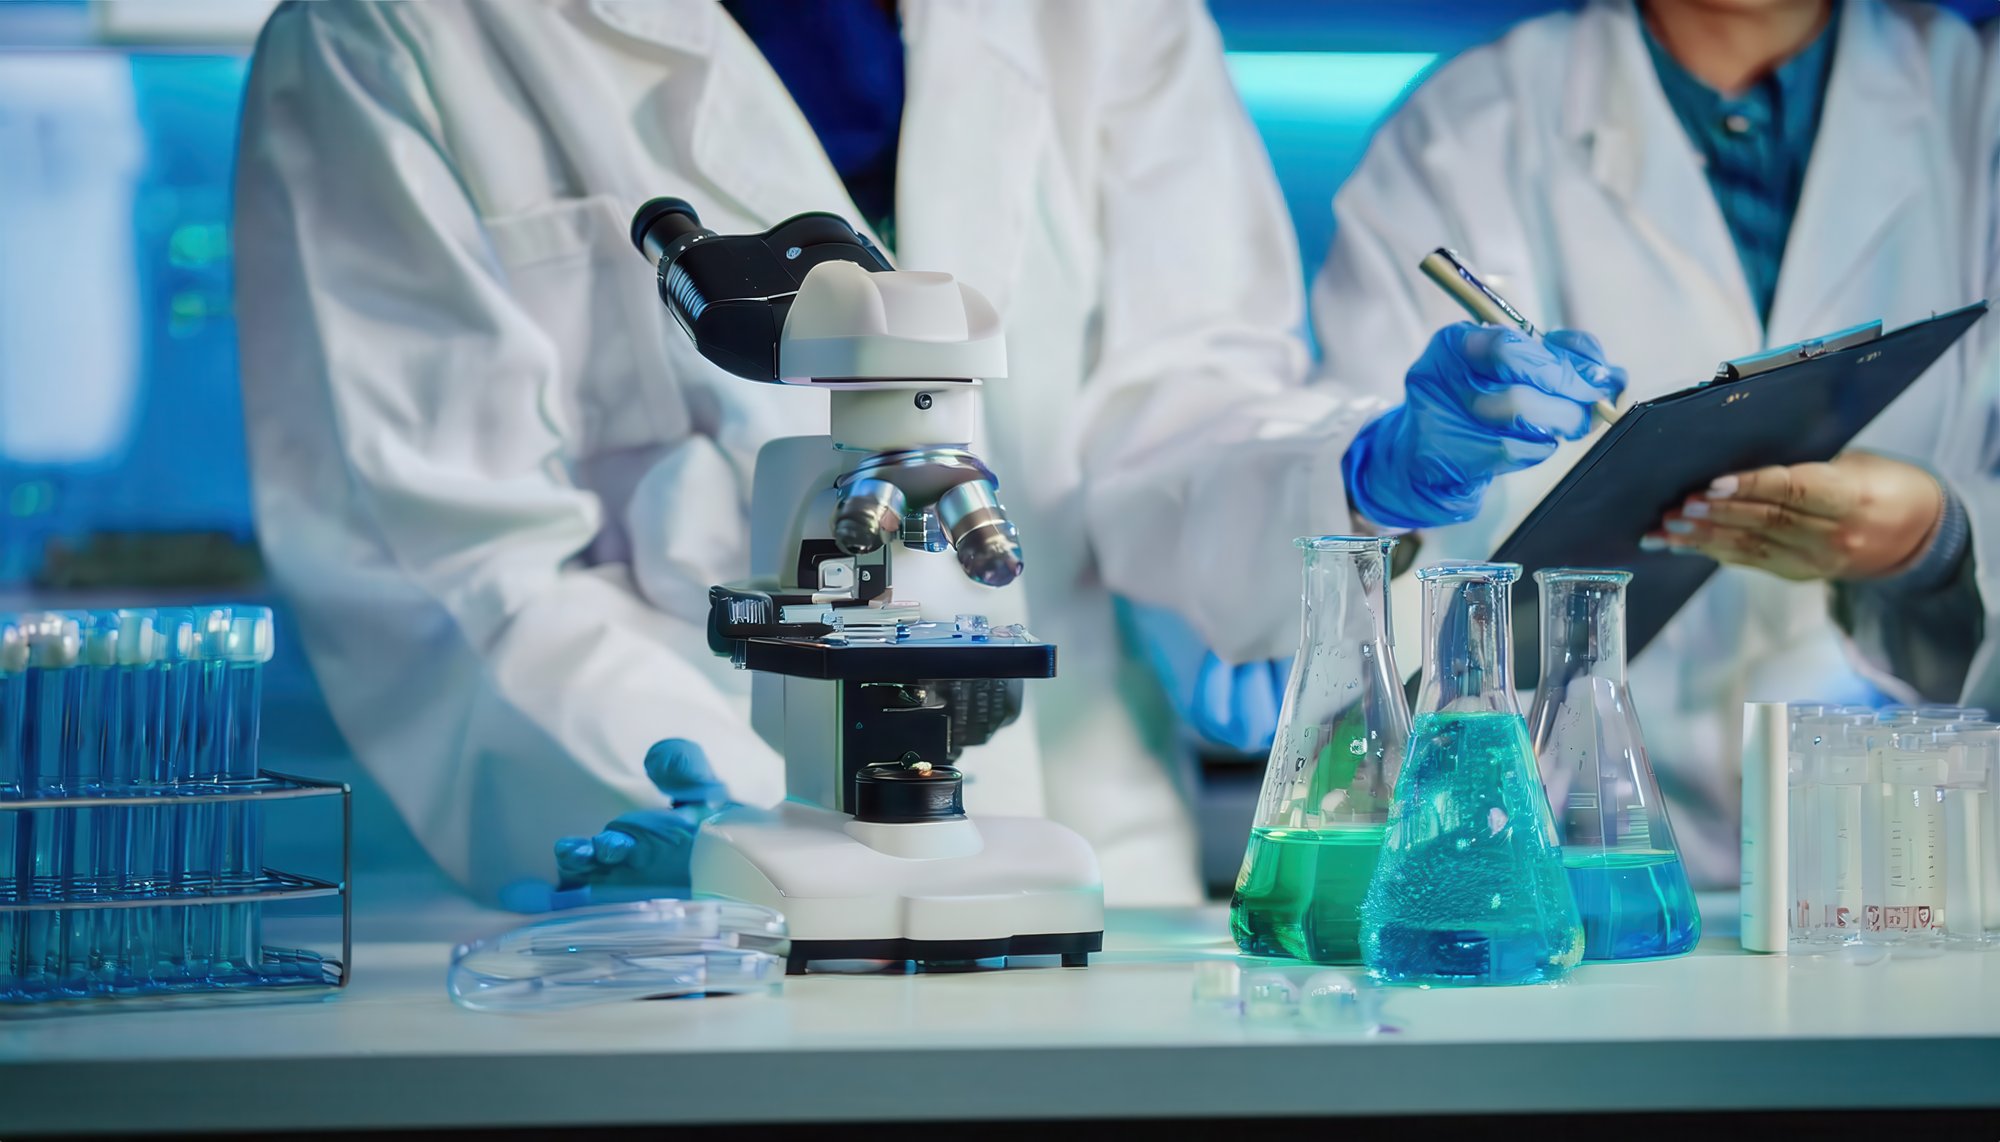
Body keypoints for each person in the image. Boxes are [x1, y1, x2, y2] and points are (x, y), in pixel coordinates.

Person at [233, 0, 1356, 907]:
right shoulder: (389, 33)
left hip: (1100, 851)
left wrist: (1344, 479)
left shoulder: (1113, 22)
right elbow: (458, 564)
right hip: (675, 887)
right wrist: (725, 830)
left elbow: (1178, 407)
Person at [1143, 0, 2000, 886]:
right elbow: (1284, 622)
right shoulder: (1469, 132)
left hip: (1921, 864)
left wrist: (1938, 540)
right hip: (1550, 870)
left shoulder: (1979, 104)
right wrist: (1383, 485)